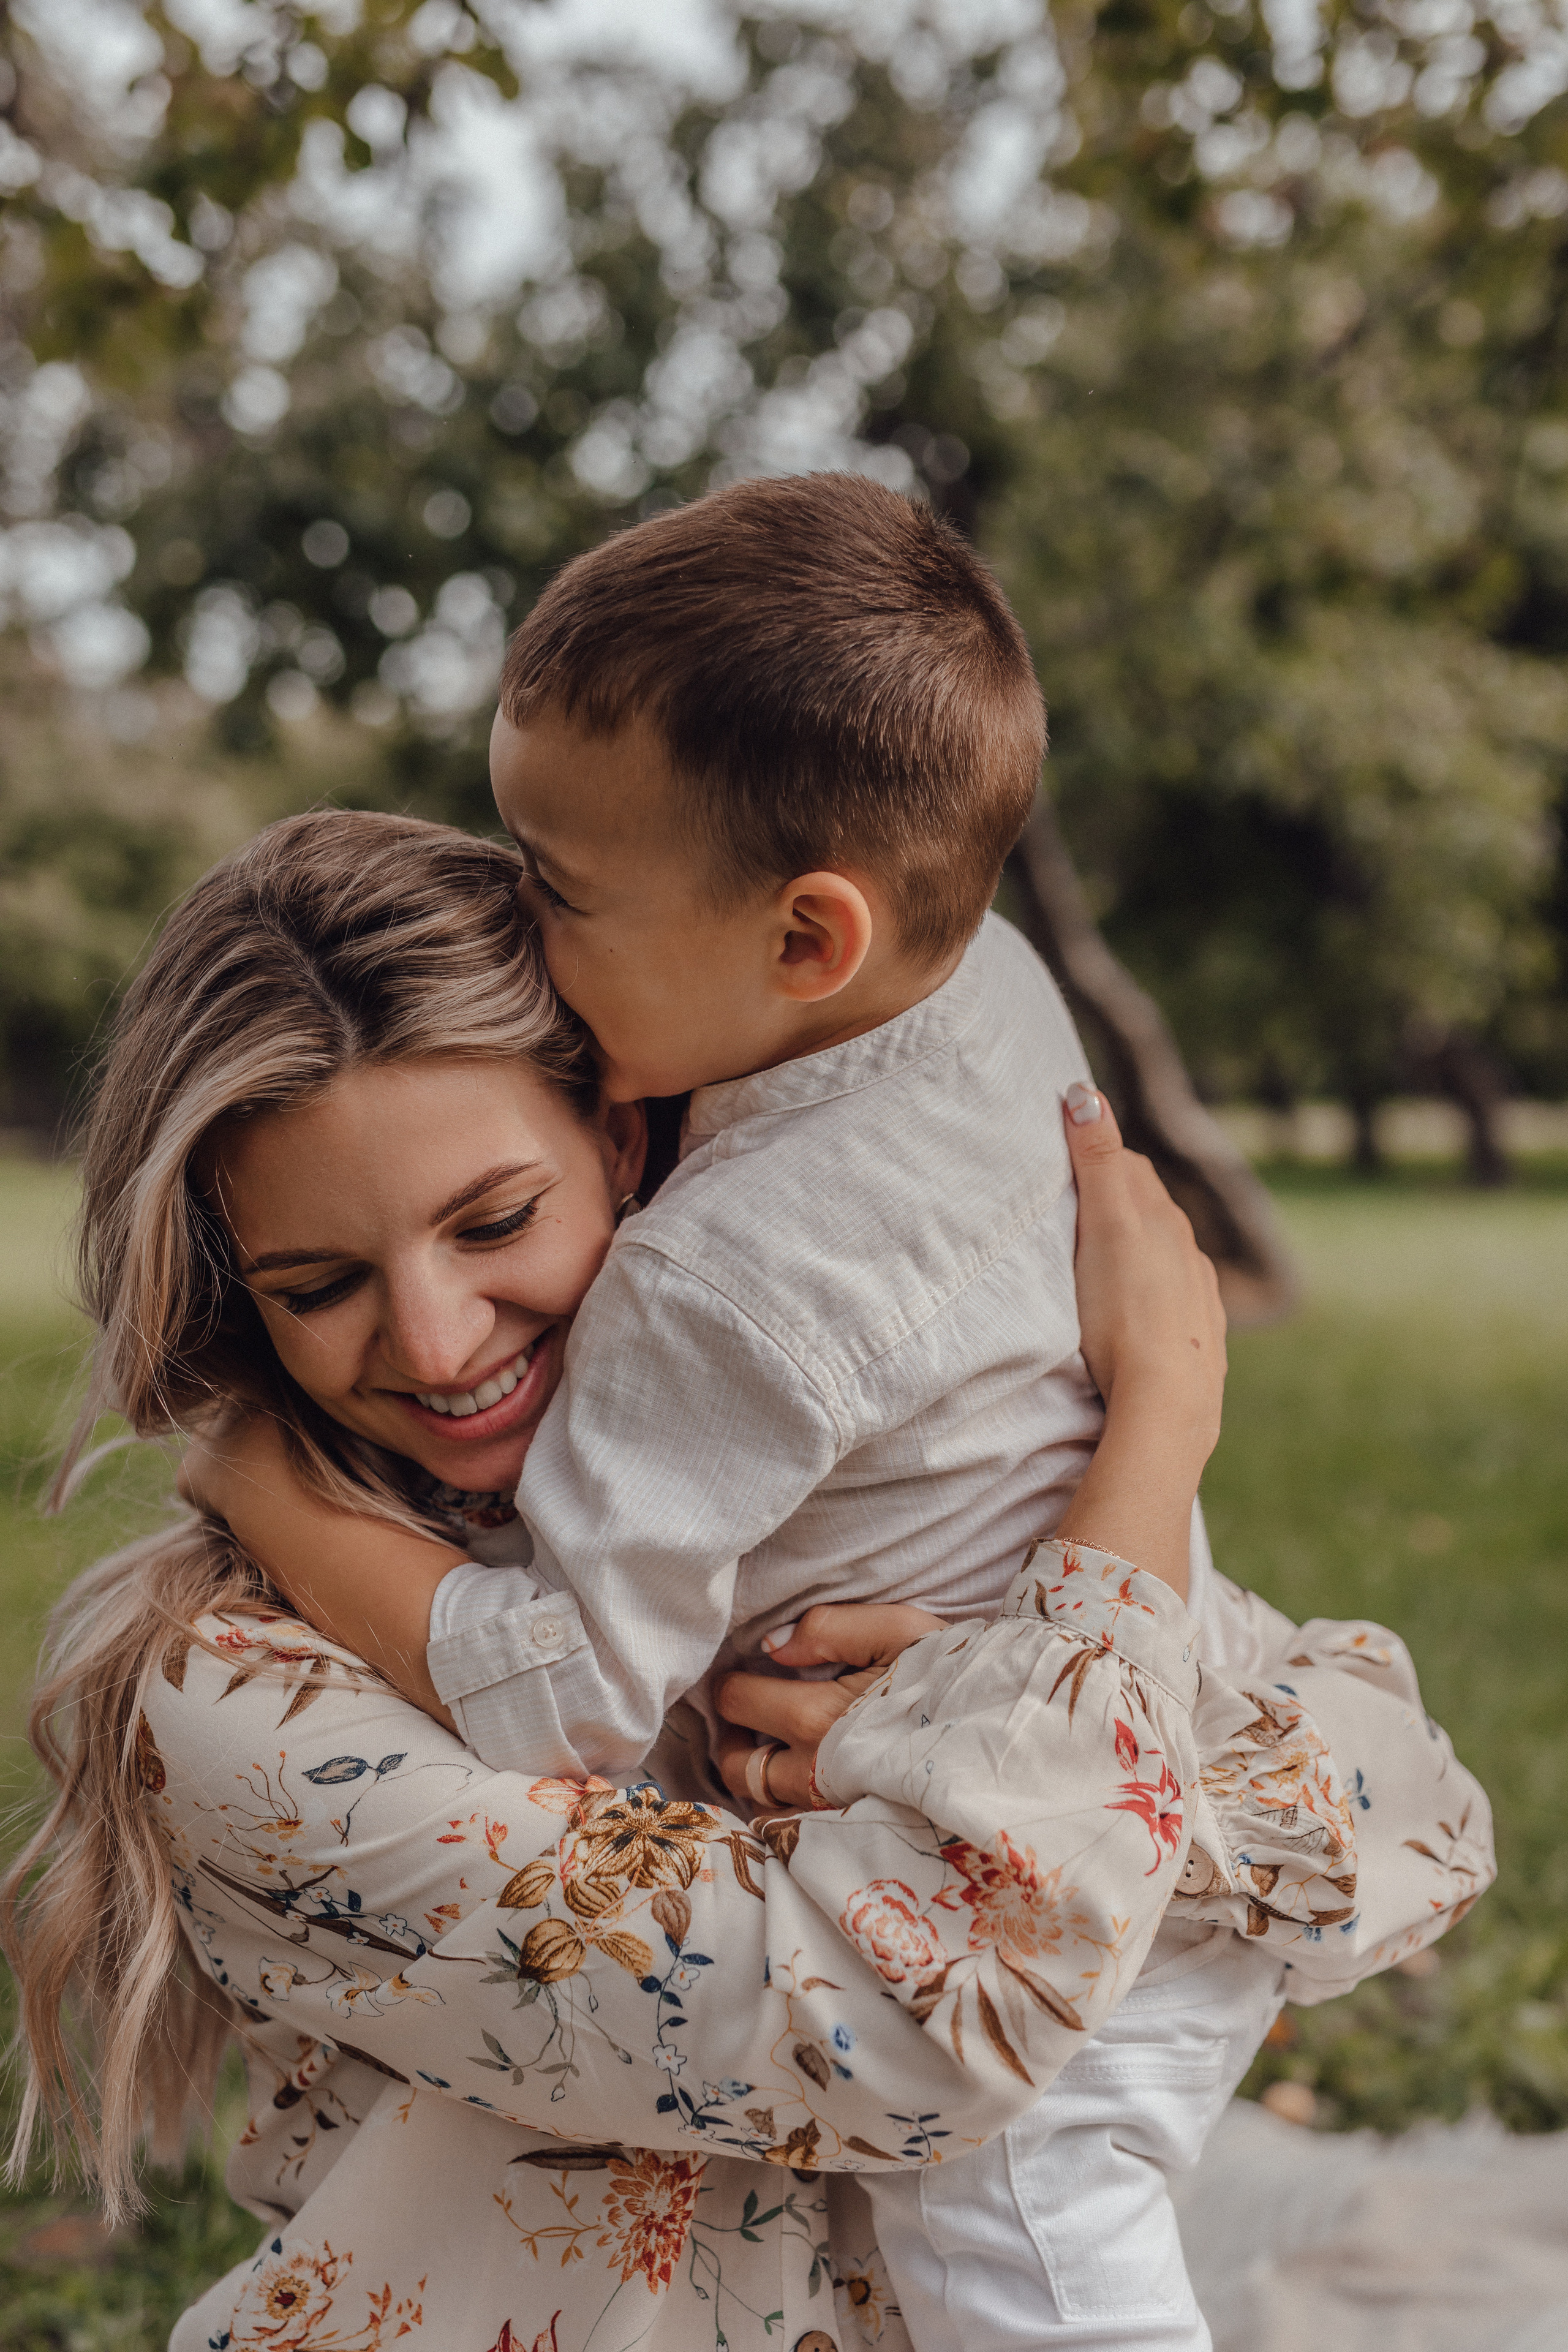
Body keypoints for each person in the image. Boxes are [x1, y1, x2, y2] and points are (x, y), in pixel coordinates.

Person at [174, 478, 1491, 2351]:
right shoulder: (980, 978)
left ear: (808, 940)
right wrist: (1159, 1426)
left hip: (1033, 1915)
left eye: (555, 883)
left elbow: (560, 1697)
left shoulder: (719, 1281)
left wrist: (268, 1495)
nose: (521, 927)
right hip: (1159, 1757)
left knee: (1031, 2275)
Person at [8, 807, 1321, 2352]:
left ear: (630, 1146)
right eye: (321, 1283)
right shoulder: (233, 1690)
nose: (437, 1344)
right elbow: (936, 2020)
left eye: (494, 1222)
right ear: (243, 1301)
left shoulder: (840, 1506)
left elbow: (1362, 1794)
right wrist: (1136, 1492)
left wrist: (1027, 1642)